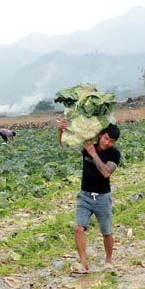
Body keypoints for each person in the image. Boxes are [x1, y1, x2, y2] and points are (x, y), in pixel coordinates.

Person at [58, 117, 121, 273]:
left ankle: (108, 260)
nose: (108, 143)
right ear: (100, 135)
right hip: (85, 195)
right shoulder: (87, 146)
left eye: (111, 141)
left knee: (106, 232)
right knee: (79, 228)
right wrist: (60, 130)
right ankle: (84, 264)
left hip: (103, 197)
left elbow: (106, 172)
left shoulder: (114, 154)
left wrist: (94, 155)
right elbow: (64, 144)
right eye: (106, 138)